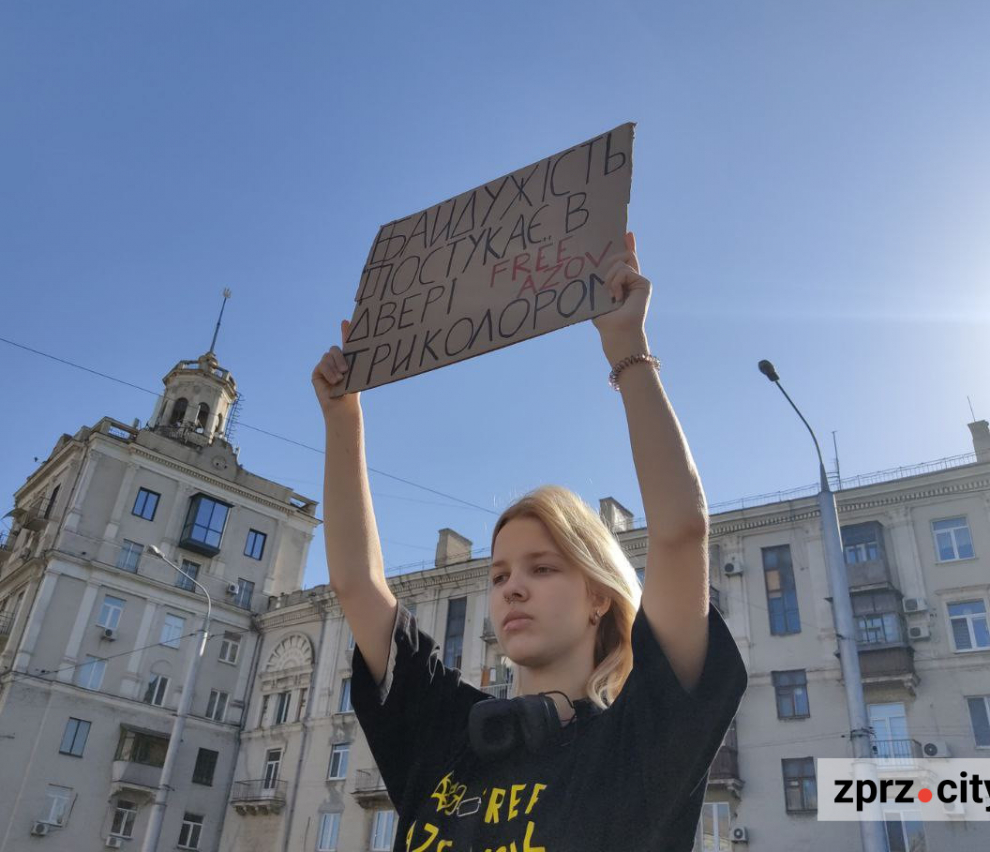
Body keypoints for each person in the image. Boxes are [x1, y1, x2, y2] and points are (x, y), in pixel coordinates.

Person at [311, 231, 749, 852]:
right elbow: (357, 584)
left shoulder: (640, 743)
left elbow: (681, 534)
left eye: (542, 569)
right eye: (498, 575)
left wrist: (626, 346)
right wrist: (343, 418)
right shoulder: (443, 731)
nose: (511, 586)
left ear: (599, 595)